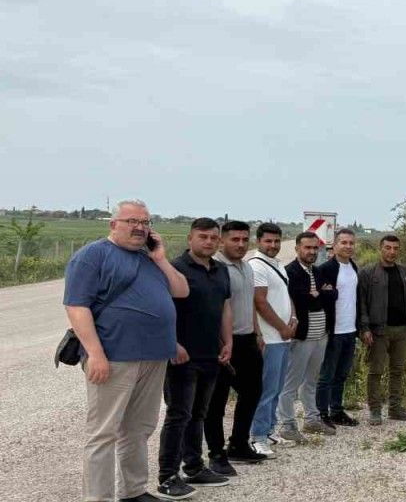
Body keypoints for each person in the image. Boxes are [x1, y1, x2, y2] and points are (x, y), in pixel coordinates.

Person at [63, 199, 189, 502]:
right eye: (132, 221)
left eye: (145, 222)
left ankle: (133, 492)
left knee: (139, 429)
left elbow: (181, 290)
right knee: (103, 433)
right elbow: (76, 306)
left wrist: (161, 258)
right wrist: (96, 354)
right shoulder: (93, 255)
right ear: (113, 224)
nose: (139, 228)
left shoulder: (150, 258)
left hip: (154, 356)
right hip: (114, 357)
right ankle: (99, 497)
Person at [156, 218, 233, 500]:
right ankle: (167, 476)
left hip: (211, 354)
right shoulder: (174, 268)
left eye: (213, 237)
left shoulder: (221, 270)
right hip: (181, 357)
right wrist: (172, 344)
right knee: (179, 415)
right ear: (190, 239)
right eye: (203, 237)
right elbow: (161, 310)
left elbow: (225, 307)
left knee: (198, 414)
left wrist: (228, 341)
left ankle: (194, 467)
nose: (209, 242)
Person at [204, 220, 268, 473]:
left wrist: (257, 332)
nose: (241, 244)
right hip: (223, 343)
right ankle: (216, 454)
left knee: (253, 391)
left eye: (244, 239)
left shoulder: (246, 267)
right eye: (235, 239)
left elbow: (249, 302)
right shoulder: (215, 268)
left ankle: (239, 444)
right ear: (222, 240)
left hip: (247, 339)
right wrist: (221, 341)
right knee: (216, 402)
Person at [278, 232, 334, 440]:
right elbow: (298, 300)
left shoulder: (317, 272)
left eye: (314, 248)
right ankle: (287, 424)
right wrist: (319, 294)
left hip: (321, 335)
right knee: (290, 383)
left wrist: (319, 294)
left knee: (311, 380)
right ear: (297, 249)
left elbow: (331, 296)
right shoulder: (289, 272)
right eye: (307, 247)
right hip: (302, 336)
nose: (311, 251)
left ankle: (311, 420)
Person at [357, 234, 406, 424]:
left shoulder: (404, 272)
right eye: (388, 248)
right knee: (376, 371)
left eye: (395, 248)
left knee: (397, 370)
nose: (392, 252)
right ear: (380, 248)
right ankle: (375, 410)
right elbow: (362, 303)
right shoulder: (368, 273)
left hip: (401, 330)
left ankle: (395, 408)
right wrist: (365, 328)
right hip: (378, 330)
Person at [247, 223, 293, 457]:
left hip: (283, 338)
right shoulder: (256, 266)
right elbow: (260, 302)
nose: (273, 245)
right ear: (258, 242)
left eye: (276, 241)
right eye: (268, 241)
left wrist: (293, 318)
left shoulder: (278, 264)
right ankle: (257, 436)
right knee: (265, 390)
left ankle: (269, 429)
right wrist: (282, 327)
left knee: (277, 388)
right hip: (270, 338)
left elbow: (285, 294)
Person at [315, 228, 359, 427]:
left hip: (350, 330)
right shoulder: (326, 269)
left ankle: (337, 411)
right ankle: (321, 413)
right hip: (333, 330)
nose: (348, 246)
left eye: (351, 243)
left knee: (342, 374)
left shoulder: (354, 267)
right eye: (344, 242)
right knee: (327, 375)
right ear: (334, 245)